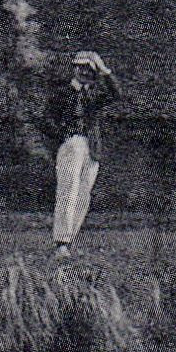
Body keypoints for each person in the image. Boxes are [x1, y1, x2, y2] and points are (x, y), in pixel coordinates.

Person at [48, 50, 120, 257]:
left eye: (90, 69)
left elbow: (117, 94)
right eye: (81, 68)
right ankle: (61, 241)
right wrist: (64, 136)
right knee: (67, 191)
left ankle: (69, 240)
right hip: (71, 144)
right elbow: (46, 120)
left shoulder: (93, 96)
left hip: (92, 146)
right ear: (74, 69)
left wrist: (105, 70)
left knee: (83, 193)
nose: (85, 72)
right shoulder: (61, 93)